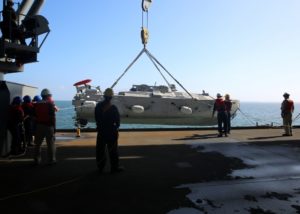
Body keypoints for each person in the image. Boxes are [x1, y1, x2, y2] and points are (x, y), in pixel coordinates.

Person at [95, 88, 123, 173]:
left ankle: (100, 167)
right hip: (111, 132)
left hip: (101, 131)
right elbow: (117, 122)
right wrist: (116, 127)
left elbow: (97, 119)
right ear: (111, 97)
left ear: (104, 96)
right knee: (113, 150)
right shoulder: (113, 108)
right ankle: (114, 168)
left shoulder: (98, 106)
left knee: (100, 150)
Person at [33, 88, 56, 165]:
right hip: (49, 126)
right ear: (49, 95)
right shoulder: (50, 103)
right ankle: (51, 160)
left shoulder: (37, 103)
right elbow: (53, 117)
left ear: (42, 95)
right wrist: (54, 128)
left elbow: (34, 115)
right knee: (50, 144)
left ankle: (37, 160)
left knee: (38, 144)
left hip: (39, 126)